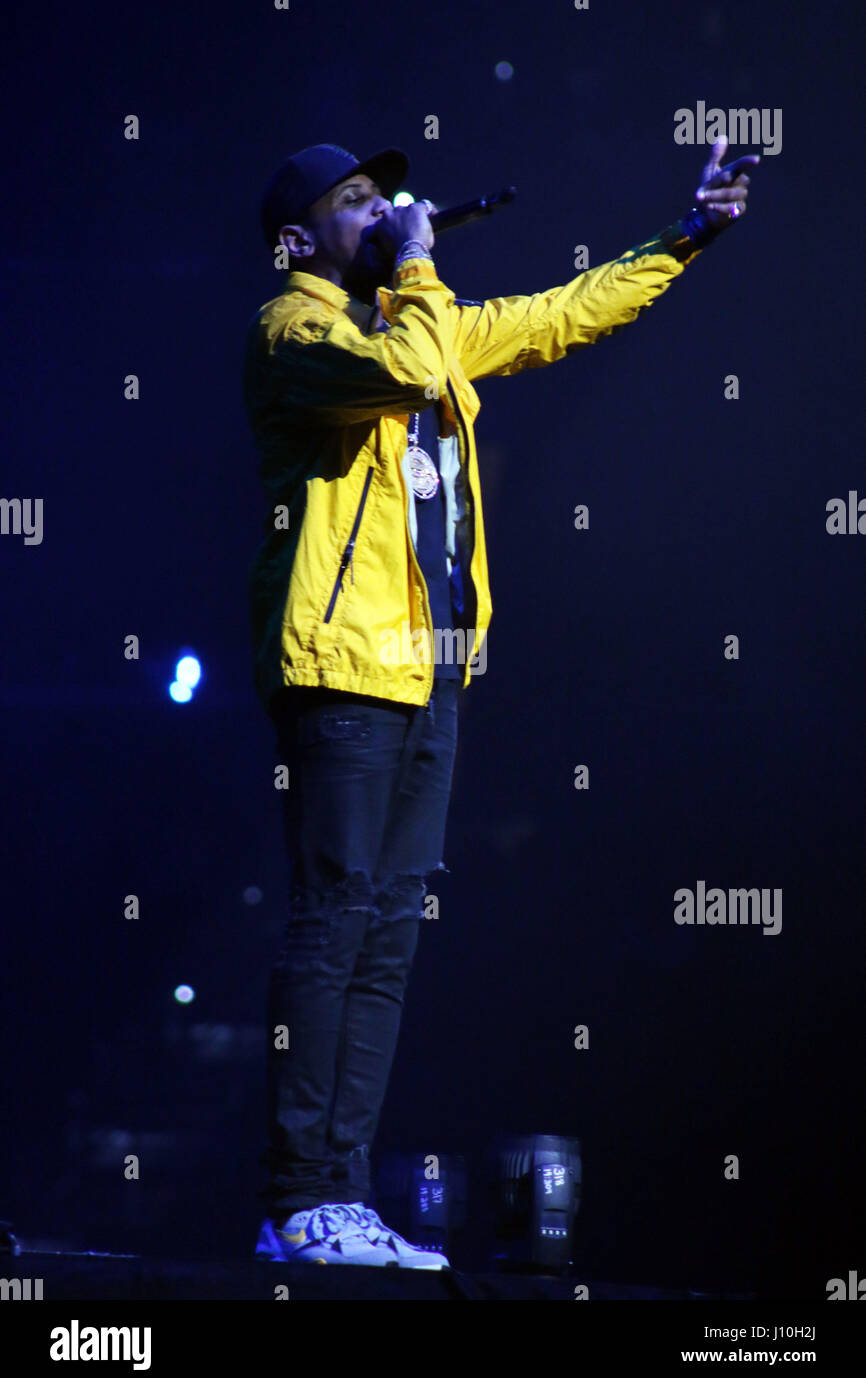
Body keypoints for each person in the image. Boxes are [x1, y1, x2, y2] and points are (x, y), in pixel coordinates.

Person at [242, 137, 758, 1268]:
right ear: (298, 240)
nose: (382, 212)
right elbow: (416, 369)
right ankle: (298, 1193)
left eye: (387, 197)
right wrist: (417, 261)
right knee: (334, 924)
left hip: (429, 673)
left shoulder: (416, 323)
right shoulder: (296, 331)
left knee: (387, 936)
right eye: (356, 203)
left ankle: (340, 1195)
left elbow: (561, 313)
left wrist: (688, 235)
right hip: (343, 667)